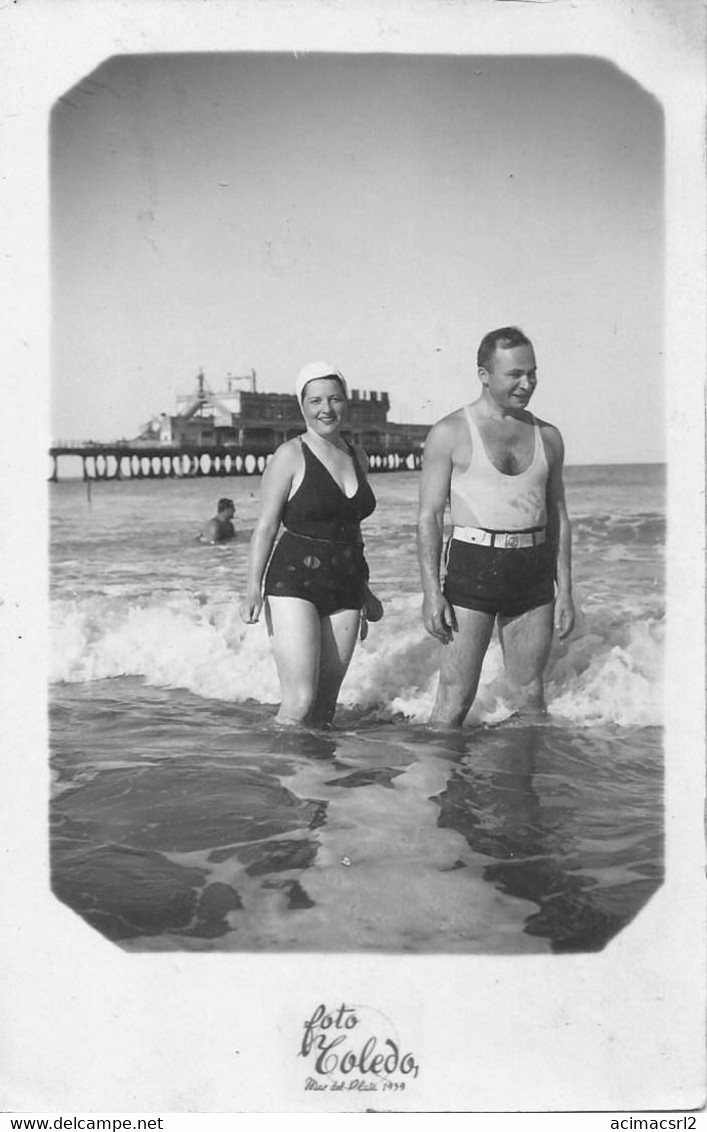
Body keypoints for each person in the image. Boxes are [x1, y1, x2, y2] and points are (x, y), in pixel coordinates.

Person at [417, 326, 574, 727]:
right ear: (484, 374)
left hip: (532, 571)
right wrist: (432, 592)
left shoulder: (549, 436)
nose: (527, 384)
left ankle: (520, 788)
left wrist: (567, 591)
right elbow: (430, 517)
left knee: (531, 697)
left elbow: (557, 516)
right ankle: (439, 788)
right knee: (454, 701)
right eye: (515, 374)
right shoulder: (450, 432)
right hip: (473, 567)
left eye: (532, 373)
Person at [240, 361, 378, 727]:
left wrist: (365, 590)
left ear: (345, 403)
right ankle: (279, 779)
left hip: (347, 585)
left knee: (325, 707)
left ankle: (315, 781)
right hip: (294, 581)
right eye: (315, 400)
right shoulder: (290, 455)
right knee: (300, 701)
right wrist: (253, 586)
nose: (326, 409)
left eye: (335, 399)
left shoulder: (358, 457)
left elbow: (353, 530)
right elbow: (267, 525)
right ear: (301, 406)